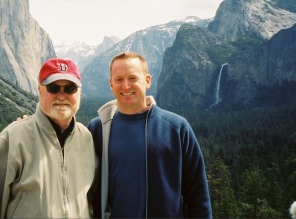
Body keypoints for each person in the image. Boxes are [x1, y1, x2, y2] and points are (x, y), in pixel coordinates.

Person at [87, 51, 212, 218]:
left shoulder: (176, 128)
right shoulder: (97, 128)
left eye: (133, 78)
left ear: (147, 81)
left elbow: (198, 194)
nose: (126, 86)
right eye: (119, 79)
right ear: (111, 84)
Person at [0, 58, 97, 218]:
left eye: (70, 88)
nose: (62, 95)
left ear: (79, 92)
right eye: (53, 88)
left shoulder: (86, 139)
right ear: (40, 90)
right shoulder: (13, 138)